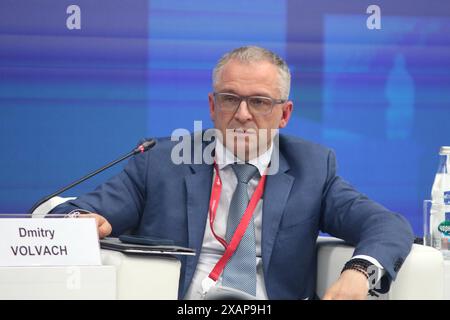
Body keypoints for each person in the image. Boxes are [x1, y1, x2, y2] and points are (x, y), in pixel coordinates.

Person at [51, 46, 414, 300]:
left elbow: (387, 225)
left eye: (259, 102)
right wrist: (86, 220)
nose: (242, 114)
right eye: (229, 99)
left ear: (284, 114)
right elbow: (66, 216)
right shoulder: (162, 160)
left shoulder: (313, 168)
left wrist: (359, 272)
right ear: (212, 106)